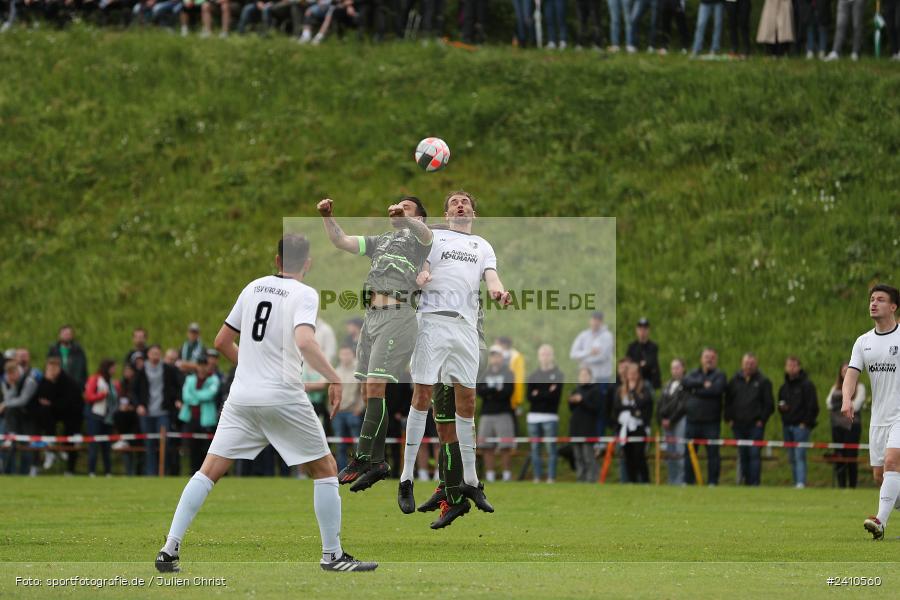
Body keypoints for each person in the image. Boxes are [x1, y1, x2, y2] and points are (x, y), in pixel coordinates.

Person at [155, 233, 377, 573]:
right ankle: (332, 555)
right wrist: (334, 376)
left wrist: (251, 365)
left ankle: (169, 548)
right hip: (282, 395)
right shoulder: (304, 293)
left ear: (276, 260)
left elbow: (221, 341)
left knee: (208, 470)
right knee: (325, 469)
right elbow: (305, 341)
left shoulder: (252, 287)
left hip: (242, 397)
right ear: (308, 263)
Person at [400, 190, 508, 528]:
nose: (460, 205)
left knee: (468, 401)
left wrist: (498, 291)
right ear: (446, 214)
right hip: (432, 322)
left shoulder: (482, 246)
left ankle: (471, 482)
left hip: (465, 327)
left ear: (473, 212)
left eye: (465, 202)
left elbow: (492, 278)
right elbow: (423, 261)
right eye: (453, 203)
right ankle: (406, 477)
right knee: (422, 396)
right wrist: (421, 276)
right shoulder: (436, 238)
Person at [317, 196, 432, 491]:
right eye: (397, 206)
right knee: (368, 392)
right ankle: (378, 462)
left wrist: (406, 219)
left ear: (419, 217)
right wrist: (327, 216)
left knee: (376, 387)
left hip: (398, 315)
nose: (398, 209)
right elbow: (341, 241)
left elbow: (425, 234)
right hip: (371, 319)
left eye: (407, 208)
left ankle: (363, 457)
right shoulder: (380, 240)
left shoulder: (420, 240)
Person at [841, 284, 900, 539]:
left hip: (899, 416)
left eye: (881, 299)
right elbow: (851, 375)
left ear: (893, 306)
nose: (873, 303)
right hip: (879, 419)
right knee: (880, 476)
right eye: (872, 299)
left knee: (892, 463)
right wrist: (847, 399)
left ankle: (880, 522)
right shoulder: (863, 342)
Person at [725, 353, 774, 486]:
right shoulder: (734, 380)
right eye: (747, 363)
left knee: (754, 454)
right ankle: (745, 481)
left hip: (755, 425)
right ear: (742, 364)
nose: (749, 366)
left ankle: (754, 482)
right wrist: (729, 418)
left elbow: (769, 404)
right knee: (743, 454)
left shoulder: (763, 381)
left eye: (752, 364)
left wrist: (762, 420)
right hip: (738, 425)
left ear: (756, 364)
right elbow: (728, 401)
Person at [682, 348, 726, 486]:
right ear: (701, 359)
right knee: (689, 452)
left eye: (712, 357)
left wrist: (695, 390)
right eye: (706, 357)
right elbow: (685, 382)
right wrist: (702, 384)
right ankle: (688, 481)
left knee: (713, 453)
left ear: (716, 360)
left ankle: (712, 481)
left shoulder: (720, 375)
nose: (709, 360)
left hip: (711, 422)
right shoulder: (694, 373)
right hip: (692, 420)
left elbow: (716, 390)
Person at [136, 345, 182, 476]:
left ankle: (164, 471)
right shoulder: (142, 370)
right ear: (148, 355)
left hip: (163, 412)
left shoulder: (168, 369)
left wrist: (177, 399)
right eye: (153, 353)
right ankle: (151, 473)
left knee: (164, 443)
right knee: (149, 443)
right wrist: (139, 405)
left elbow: (177, 386)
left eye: (157, 353)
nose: (155, 356)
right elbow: (134, 390)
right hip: (147, 413)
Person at [36, 355, 83, 475]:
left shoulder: (68, 381)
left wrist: (51, 404)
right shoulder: (45, 380)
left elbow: (68, 402)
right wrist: (48, 382)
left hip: (73, 413)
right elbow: (41, 398)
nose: (52, 371)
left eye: (54, 368)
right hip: (55, 411)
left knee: (71, 438)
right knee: (43, 412)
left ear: (59, 368)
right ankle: (50, 445)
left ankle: (70, 469)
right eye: (49, 368)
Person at [476, 345, 516, 483]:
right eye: (492, 356)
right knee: (486, 446)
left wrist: (490, 392)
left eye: (497, 355)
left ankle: (506, 475)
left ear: (502, 358)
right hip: (487, 414)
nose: (494, 358)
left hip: (503, 413)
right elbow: (480, 391)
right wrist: (495, 390)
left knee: (505, 446)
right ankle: (490, 475)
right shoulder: (484, 373)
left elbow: (507, 391)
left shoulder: (508, 373)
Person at [778, 355, 818, 489]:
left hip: (801, 427)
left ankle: (801, 483)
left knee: (799, 455)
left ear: (799, 367)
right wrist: (782, 409)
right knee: (791, 457)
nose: (791, 368)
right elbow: (780, 404)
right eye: (789, 365)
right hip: (787, 426)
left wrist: (805, 423)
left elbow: (813, 407)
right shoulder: (784, 387)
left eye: (794, 365)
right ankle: (796, 482)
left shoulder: (807, 385)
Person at [526, 344, 564, 484]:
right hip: (533, 418)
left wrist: (538, 394)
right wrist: (547, 392)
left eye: (548, 354)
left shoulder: (559, 375)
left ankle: (551, 478)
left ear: (552, 356)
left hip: (550, 417)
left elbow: (555, 396)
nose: (545, 357)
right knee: (535, 449)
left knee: (551, 448)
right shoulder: (533, 375)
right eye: (543, 354)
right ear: (539, 357)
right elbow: (529, 397)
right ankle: (537, 477)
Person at [178, 356, 220, 474]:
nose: (202, 368)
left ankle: (206, 473)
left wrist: (194, 395)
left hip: (207, 420)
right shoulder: (190, 379)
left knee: (206, 449)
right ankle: (193, 473)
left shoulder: (213, 379)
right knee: (193, 448)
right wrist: (199, 397)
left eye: (204, 365)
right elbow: (186, 397)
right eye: (199, 365)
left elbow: (210, 395)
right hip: (191, 418)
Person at [613, 361, 653, 483]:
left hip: (639, 427)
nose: (632, 376)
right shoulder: (620, 390)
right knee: (628, 455)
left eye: (634, 373)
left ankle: (645, 481)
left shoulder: (644, 389)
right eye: (630, 373)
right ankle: (632, 481)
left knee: (639, 455)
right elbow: (617, 407)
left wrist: (633, 393)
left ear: (638, 374)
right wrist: (632, 409)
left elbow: (643, 404)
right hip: (624, 427)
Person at [828, 362, 865, 488]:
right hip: (837, 426)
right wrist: (845, 403)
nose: (846, 373)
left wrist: (842, 403)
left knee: (851, 455)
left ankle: (852, 485)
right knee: (839, 455)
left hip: (852, 426)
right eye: (844, 371)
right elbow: (828, 403)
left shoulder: (859, 387)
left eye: (848, 370)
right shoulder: (835, 387)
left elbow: (857, 405)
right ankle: (841, 485)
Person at [1, 359, 40, 475]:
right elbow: (8, 398)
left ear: (16, 371)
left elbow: (23, 400)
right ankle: (8, 472)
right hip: (19, 416)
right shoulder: (12, 380)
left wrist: (5, 404)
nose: (10, 378)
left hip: (34, 416)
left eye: (11, 375)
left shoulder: (30, 379)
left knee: (29, 445)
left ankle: (30, 471)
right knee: (12, 444)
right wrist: (12, 386)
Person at [84, 359, 121, 478]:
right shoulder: (95, 379)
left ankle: (108, 472)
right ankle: (91, 471)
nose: (115, 370)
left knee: (106, 446)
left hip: (108, 418)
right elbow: (88, 396)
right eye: (113, 367)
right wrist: (102, 395)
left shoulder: (113, 382)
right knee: (94, 445)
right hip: (95, 416)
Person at [331, 346, 364, 473]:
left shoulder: (358, 371)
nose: (345, 356)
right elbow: (331, 392)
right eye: (343, 354)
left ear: (352, 355)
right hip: (338, 413)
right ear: (339, 356)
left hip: (353, 412)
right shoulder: (335, 371)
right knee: (340, 445)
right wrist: (332, 408)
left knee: (357, 444)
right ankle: (342, 472)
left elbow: (363, 391)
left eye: (347, 353)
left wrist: (359, 408)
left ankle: (359, 470)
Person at [568, 367, 603, 482]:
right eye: (581, 375)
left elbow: (596, 408)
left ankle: (591, 479)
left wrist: (582, 400)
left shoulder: (595, 390)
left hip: (588, 429)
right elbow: (572, 409)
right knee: (578, 457)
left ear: (590, 376)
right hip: (575, 429)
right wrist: (571, 401)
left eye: (585, 375)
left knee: (588, 457)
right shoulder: (575, 390)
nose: (583, 377)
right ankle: (580, 480)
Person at [658, 358, 687, 485]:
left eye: (677, 368)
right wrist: (661, 418)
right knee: (669, 452)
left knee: (680, 451)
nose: (675, 371)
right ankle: (672, 480)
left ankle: (681, 480)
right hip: (666, 422)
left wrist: (671, 419)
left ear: (683, 369)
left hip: (679, 420)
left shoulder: (686, 385)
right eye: (673, 368)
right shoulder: (667, 385)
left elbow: (683, 405)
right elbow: (661, 403)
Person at [570, 311, 614, 388]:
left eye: (598, 320)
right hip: (585, 377)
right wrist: (589, 352)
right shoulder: (583, 335)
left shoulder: (607, 336)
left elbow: (602, 357)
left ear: (602, 322)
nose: (595, 322)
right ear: (590, 320)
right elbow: (573, 354)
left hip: (601, 377)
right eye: (594, 319)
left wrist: (582, 359)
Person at [48, 325, 88, 393]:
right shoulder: (53, 350)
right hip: (57, 386)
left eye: (68, 334)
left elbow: (83, 370)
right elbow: (48, 369)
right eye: (64, 334)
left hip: (74, 387)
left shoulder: (78, 350)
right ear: (59, 335)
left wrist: (82, 385)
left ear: (72, 336)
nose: (66, 336)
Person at [626, 317, 661, 391]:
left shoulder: (653, 346)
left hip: (648, 379)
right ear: (636, 330)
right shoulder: (632, 346)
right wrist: (640, 364)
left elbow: (650, 363)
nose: (642, 332)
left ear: (648, 331)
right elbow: (629, 363)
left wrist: (638, 364)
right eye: (640, 329)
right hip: (634, 379)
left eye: (645, 329)